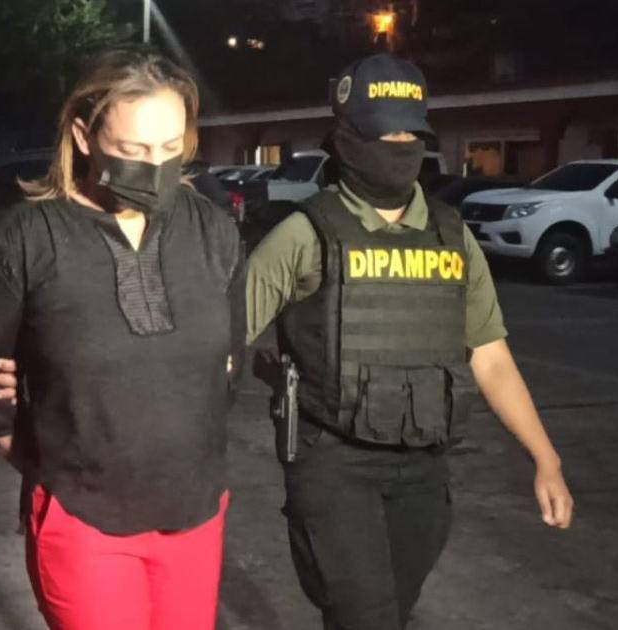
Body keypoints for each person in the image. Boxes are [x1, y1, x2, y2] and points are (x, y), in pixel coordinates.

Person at [245, 54, 575, 630]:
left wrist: (546, 459)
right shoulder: (305, 234)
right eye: (383, 135)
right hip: (333, 463)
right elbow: (220, 339)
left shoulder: (451, 235)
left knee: (392, 613)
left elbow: (491, 357)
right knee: (366, 617)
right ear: (346, 140)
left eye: (410, 135)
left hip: (424, 467)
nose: (399, 147)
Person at [0, 47, 244, 630]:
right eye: (133, 151)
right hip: (83, 521)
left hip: (195, 511)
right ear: (84, 137)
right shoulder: (28, 237)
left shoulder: (212, 231)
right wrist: (51, 468)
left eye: (170, 148)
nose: (155, 167)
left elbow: (231, 364)